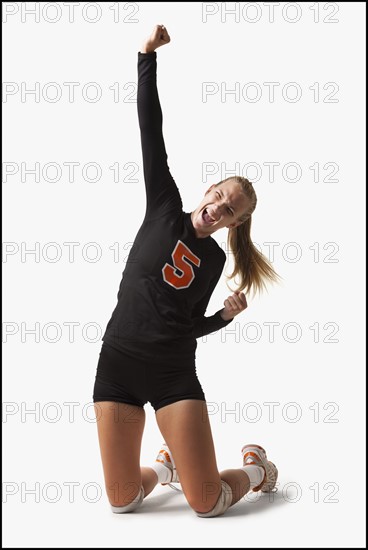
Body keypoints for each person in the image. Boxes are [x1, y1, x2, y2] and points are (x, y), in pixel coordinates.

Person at [92, 24, 281, 518]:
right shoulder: (164, 206)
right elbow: (150, 129)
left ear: (235, 223)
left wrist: (223, 317)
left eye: (230, 210)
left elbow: (186, 324)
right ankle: (167, 467)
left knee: (208, 504)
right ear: (207, 191)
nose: (219, 208)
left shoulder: (215, 260)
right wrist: (145, 56)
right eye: (219, 195)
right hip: (117, 365)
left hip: (172, 374)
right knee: (122, 500)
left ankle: (259, 468)